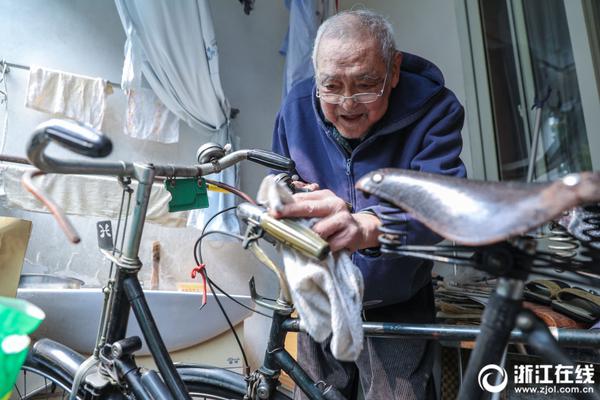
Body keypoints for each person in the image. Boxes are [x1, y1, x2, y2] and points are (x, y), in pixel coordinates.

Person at [271, 9, 466, 400]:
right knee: (315, 394)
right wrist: (287, 195)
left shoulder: (435, 109)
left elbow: (444, 202)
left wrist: (368, 227)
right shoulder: (296, 108)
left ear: (393, 71)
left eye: (365, 84)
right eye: (332, 86)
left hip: (398, 298)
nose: (347, 103)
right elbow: (278, 177)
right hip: (323, 299)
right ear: (316, 74)